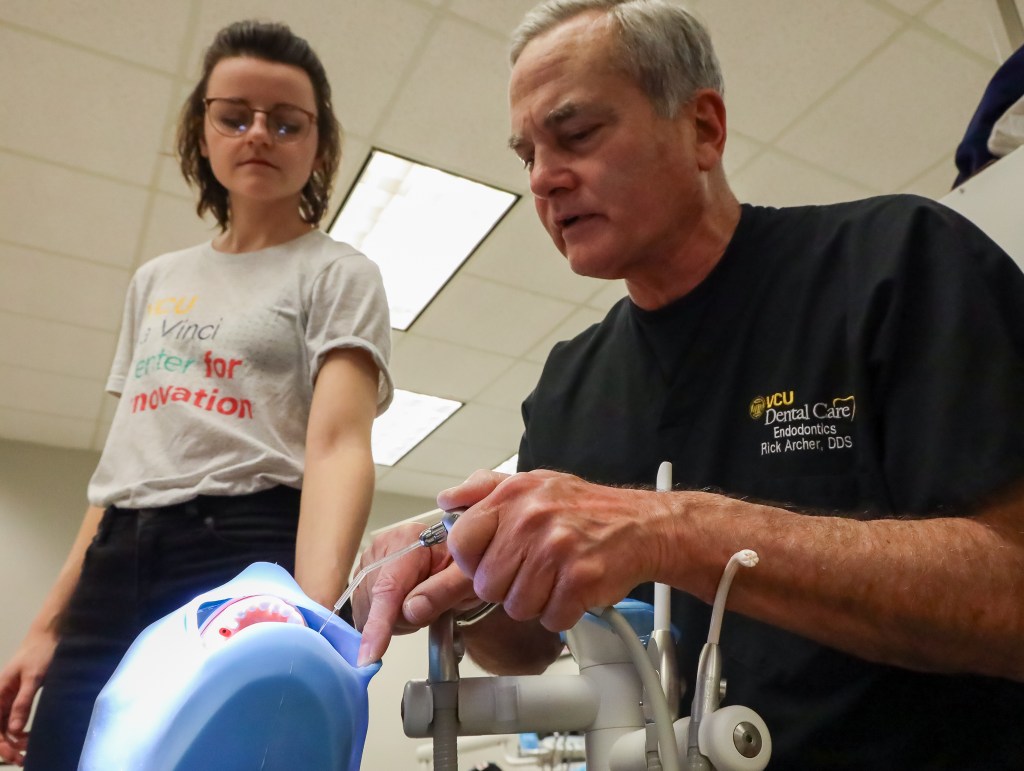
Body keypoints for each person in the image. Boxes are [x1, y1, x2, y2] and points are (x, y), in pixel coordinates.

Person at [352, 1, 1024, 768]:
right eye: (527, 154)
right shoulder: (570, 384)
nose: (542, 178)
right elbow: (529, 646)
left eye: (577, 134)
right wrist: (465, 570)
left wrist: (672, 531)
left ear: (703, 128)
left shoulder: (894, 264)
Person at [0, 20, 392, 770]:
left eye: (287, 122)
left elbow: (338, 446)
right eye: (234, 116)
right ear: (201, 131)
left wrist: (306, 621)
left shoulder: (338, 273)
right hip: (116, 559)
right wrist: (47, 626)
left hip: (243, 551)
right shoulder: (156, 280)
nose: (259, 134)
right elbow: (125, 466)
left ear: (319, 145)